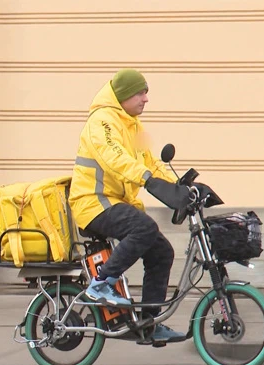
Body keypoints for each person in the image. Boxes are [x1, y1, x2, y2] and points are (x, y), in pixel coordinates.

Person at [68, 68, 191, 343]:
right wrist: (146, 179)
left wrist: (180, 186)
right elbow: (115, 157)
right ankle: (101, 284)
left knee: (162, 252)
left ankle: (149, 324)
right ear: (123, 95)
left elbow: (152, 163)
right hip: (92, 203)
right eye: (140, 93)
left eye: (146, 92)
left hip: (115, 202)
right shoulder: (101, 121)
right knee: (144, 227)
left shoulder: (134, 126)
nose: (146, 99)